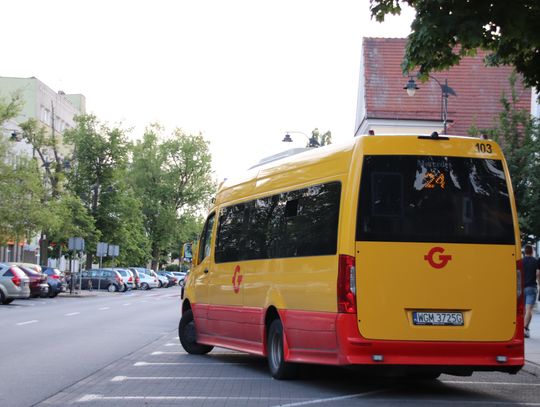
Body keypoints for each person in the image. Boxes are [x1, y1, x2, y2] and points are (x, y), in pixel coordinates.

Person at [523, 244, 540, 338]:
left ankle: (525, 329)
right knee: (529, 310)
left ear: (525, 252)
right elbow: (538, 273)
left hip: (522, 288)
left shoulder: (521, 261)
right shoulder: (535, 261)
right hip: (532, 287)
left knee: (524, 310)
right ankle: (525, 328)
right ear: (532, 251)